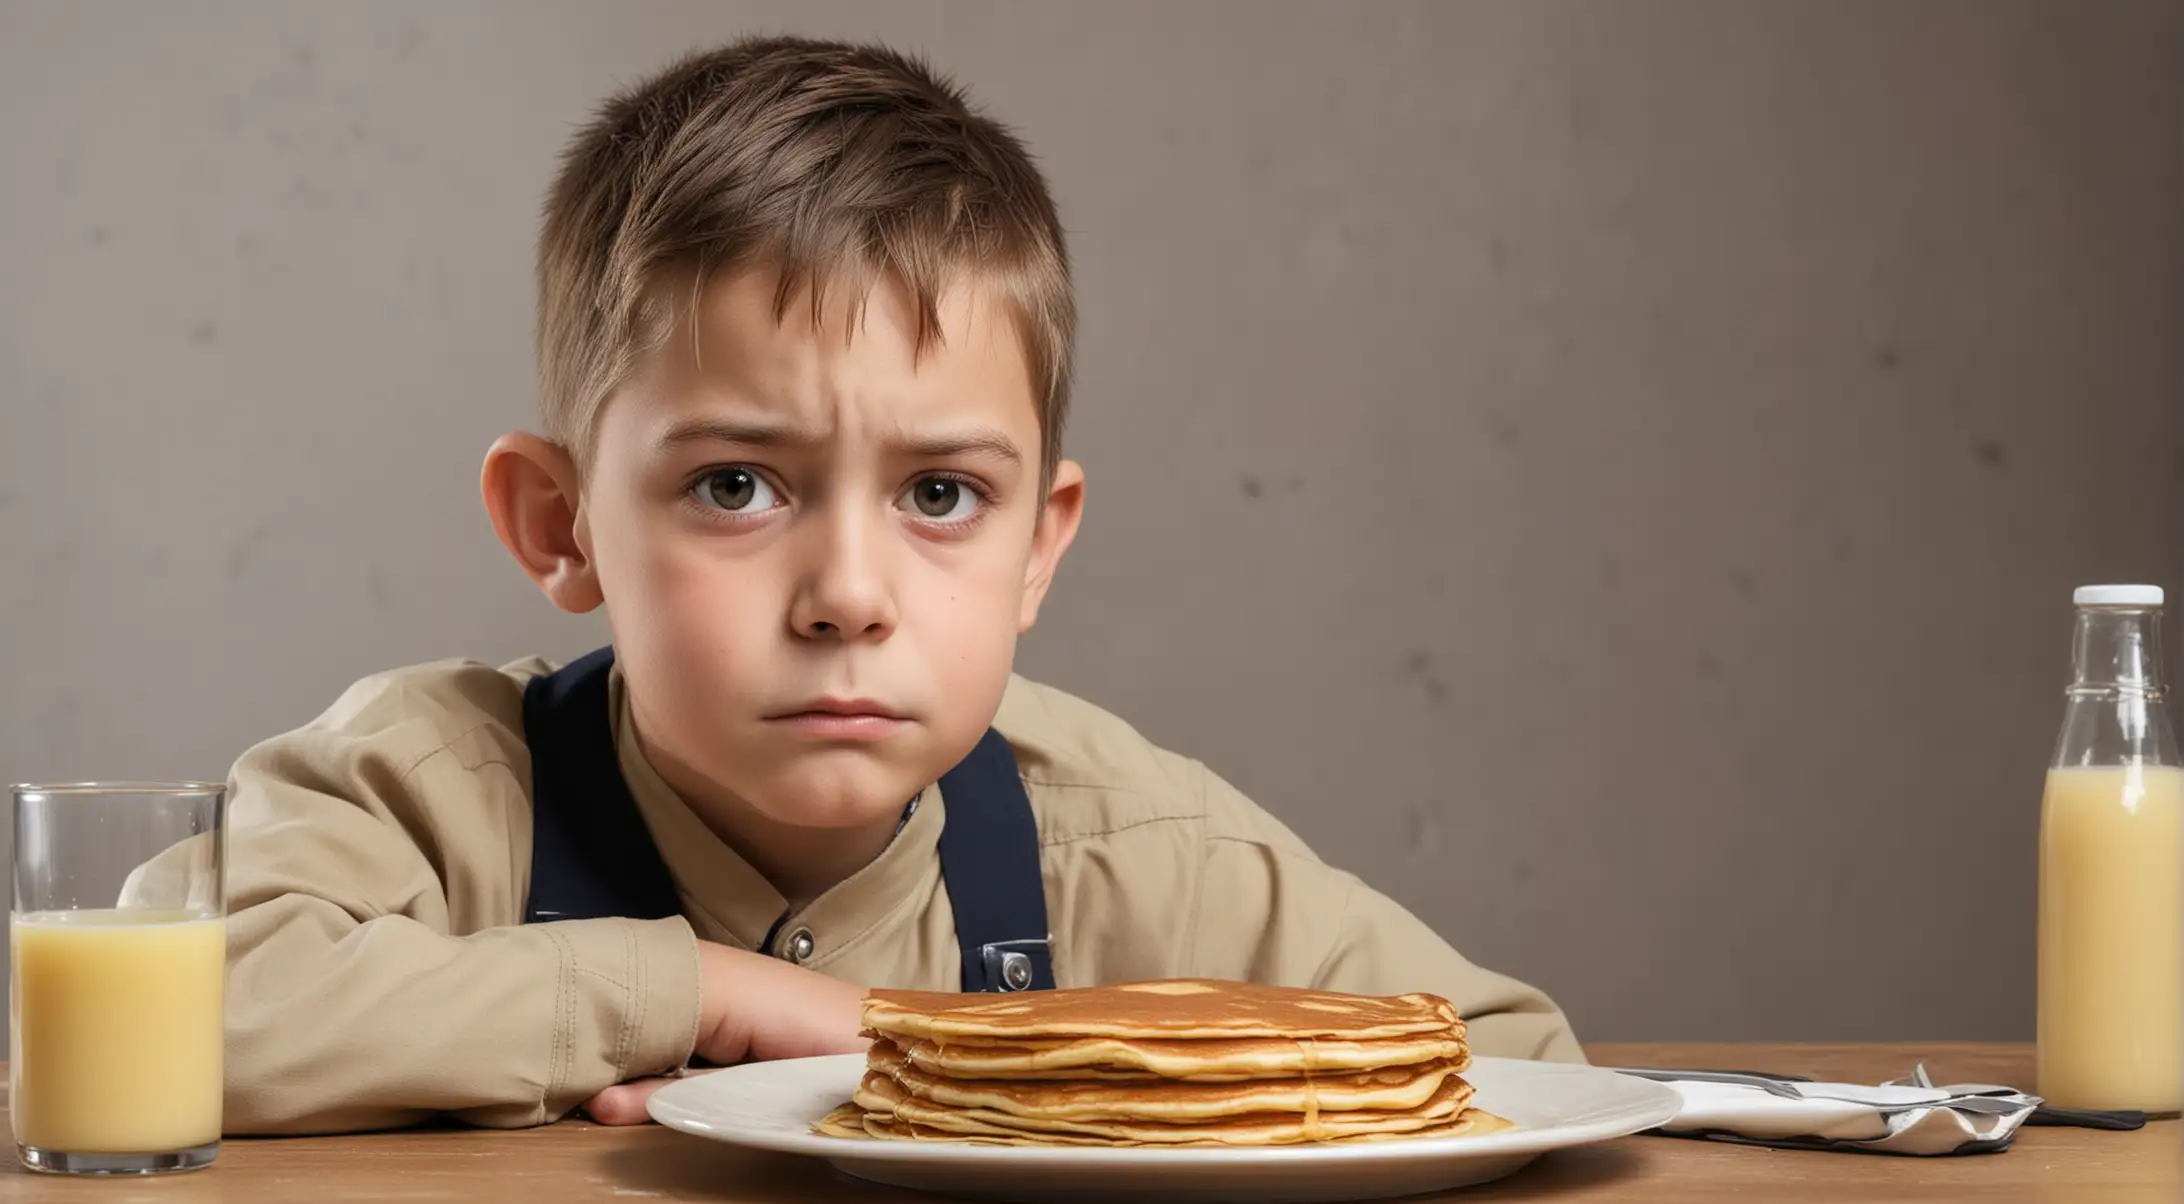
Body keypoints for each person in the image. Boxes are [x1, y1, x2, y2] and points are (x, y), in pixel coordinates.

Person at [210, 35, 1579, 1135]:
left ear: (1038, 546)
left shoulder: (1133, 854)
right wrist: (702, 995)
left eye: (940, 495)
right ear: (561, 522)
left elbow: (1520, 1072)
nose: (848, 597)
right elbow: (122, 1031)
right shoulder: (429, 795)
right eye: (737, 485)